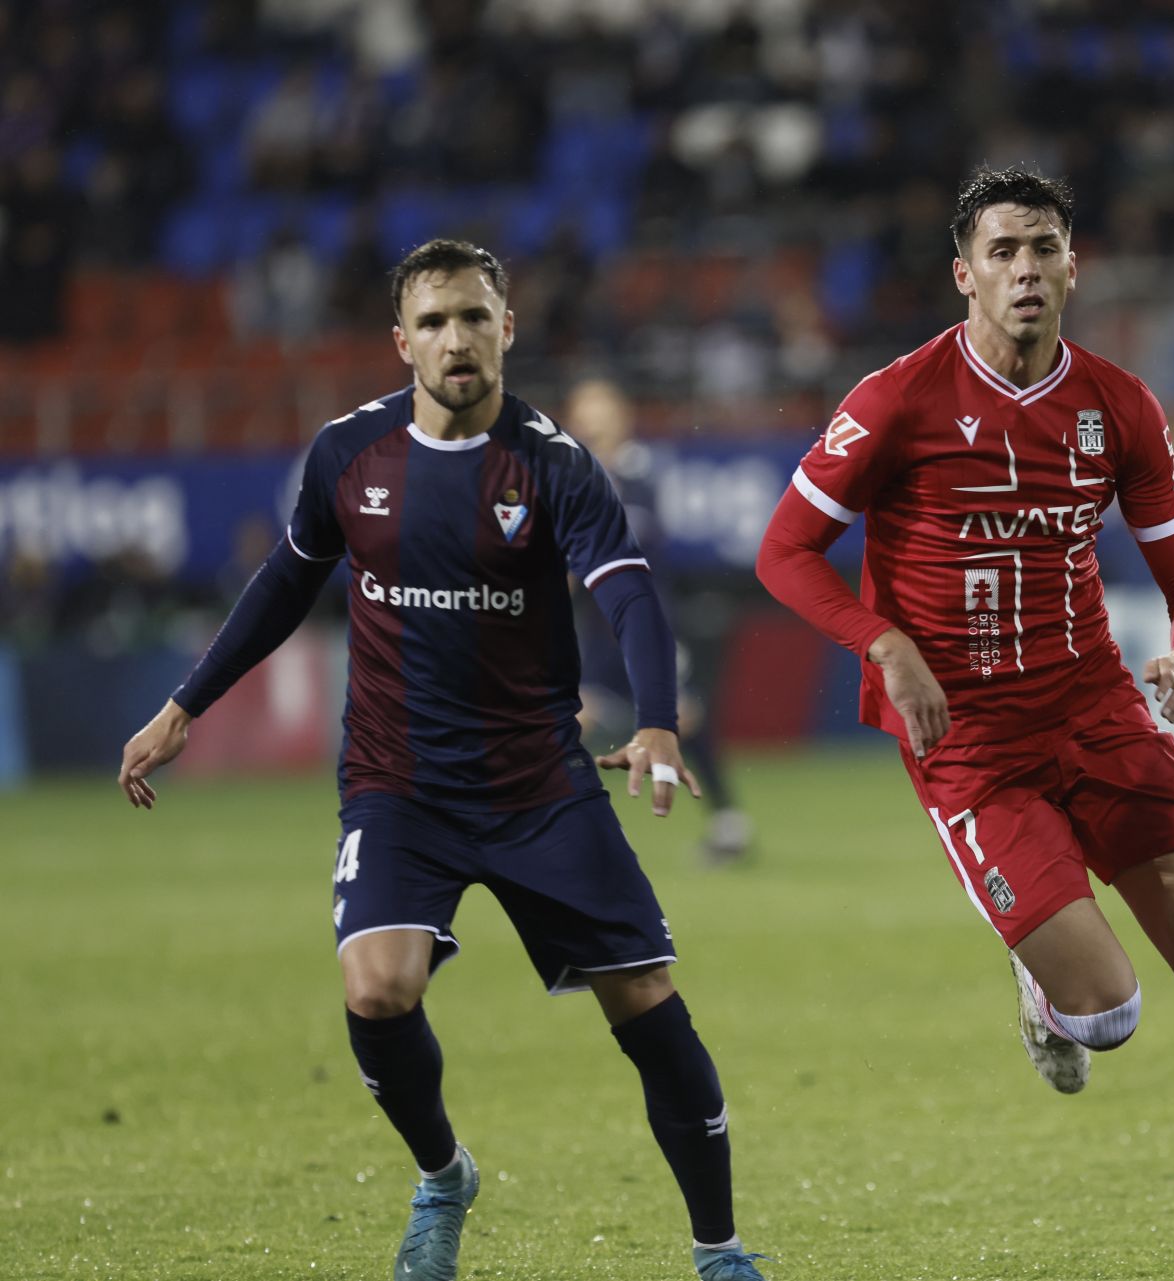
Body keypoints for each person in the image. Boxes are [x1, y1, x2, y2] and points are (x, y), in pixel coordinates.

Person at [755, 167, 1174, 1280]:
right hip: (972, 742)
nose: (1025, 269)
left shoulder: (1119, 407)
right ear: (965, 274)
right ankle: (1049, 988)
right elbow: (783, 553)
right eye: (1002, 252)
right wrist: (884, 644)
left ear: (1074, 265)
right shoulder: (896, 400)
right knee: (1110, 1016)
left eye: (1043, 247)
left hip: (1095, 708)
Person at [116, 240, 769, 1281]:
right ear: (401, 341)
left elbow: (631, 590)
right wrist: (185, 704)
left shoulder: (554, 464)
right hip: (399, 780)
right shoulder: (349, 455)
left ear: (506, 329)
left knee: (644, 999)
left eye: (473, 318)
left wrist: (656, 721)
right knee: (377, 990)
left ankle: (721, 1250)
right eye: (432, 322)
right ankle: (443, 1175)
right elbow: (286, 585)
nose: (455, 340)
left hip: (538, 781)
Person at [566, 376, 754, 863]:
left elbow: (634, 547)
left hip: (645, 627)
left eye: (599, 406)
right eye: (584, 408)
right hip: (596, 634)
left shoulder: (639, 473)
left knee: (682, 720)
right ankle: (555, 833)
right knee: (568, 722)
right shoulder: (568, 477)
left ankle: (728, 823)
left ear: (620, 414)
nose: (591, 417)